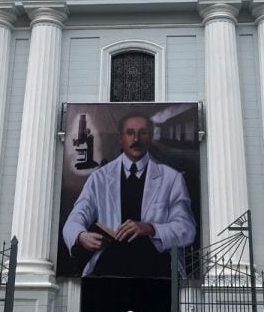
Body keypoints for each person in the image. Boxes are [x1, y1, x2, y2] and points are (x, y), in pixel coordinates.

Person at [62, 112, 196, 277]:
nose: (136, 139)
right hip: (109, 268)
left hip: (158, 267)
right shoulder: (100, 178)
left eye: (143, 133)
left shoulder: (171, 178)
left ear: (150, 137)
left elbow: (187, 230)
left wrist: (150, 228)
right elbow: (75, 219)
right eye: (130, 133)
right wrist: (81, 236)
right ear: (121, 138)